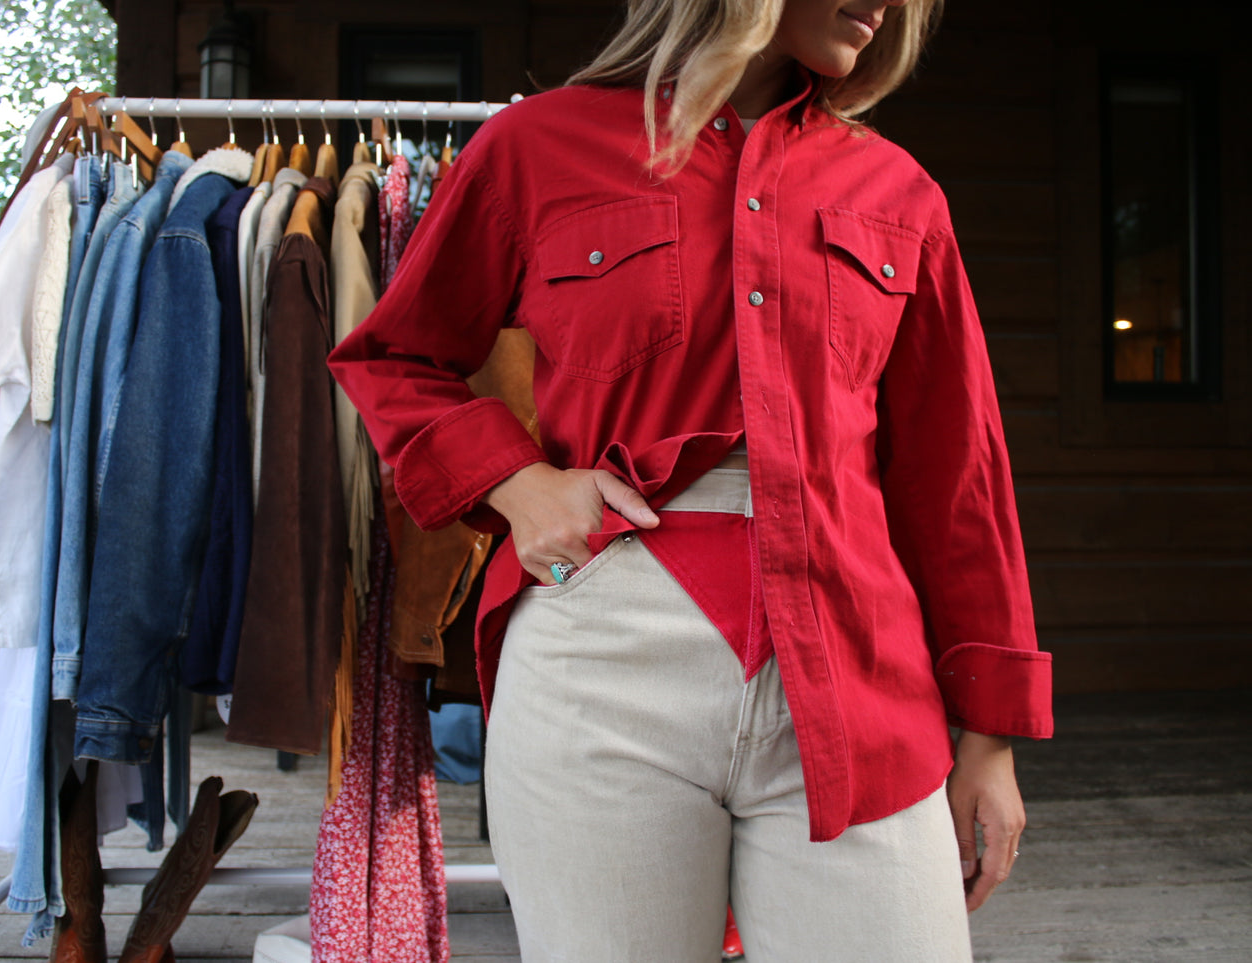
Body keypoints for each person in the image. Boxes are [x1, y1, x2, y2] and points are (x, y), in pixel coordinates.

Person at [328, 0, 1054, 959]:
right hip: (601, 658)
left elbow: (956, 476)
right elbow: (392, 358)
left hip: (856, 664)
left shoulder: (898, 191)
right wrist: (518, 481)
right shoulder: (533, 148)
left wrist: (989, 737)